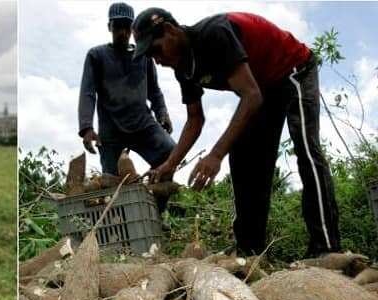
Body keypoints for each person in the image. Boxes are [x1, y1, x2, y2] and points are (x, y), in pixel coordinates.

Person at [133, 8, 340, 256]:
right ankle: (250, 248)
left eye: (156, 50)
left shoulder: (214, 34)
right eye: (151, 56)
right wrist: (170, 164)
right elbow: (195, 120)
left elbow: (250, 96)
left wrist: (216, 154)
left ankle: (326, 247)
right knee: (242, 155)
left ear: (169, 30)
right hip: (262, 87)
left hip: (293, 69)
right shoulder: (184, 69)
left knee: (306, 149)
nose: (157, 60)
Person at [78, 2, 175, 202]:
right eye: (117, 26)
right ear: (109, 27)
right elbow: (87, 93)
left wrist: (162, 112)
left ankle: (157, 209)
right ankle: (117, 224)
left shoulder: (143, 56)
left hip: (142, 124)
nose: (122, 32)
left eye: (126, 27)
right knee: (111, 187)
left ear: (132, 29)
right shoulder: (97, 56)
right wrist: (87, 128)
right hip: (111, 129)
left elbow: (154, 91)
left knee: (170, 152)